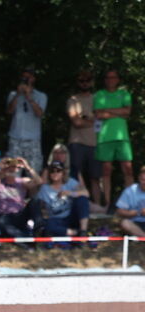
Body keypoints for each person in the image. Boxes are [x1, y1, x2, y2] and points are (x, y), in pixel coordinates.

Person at [94, 69, 133, 208]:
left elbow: (128, 111)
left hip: (122, 137)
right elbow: (99, 114)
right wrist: (119, 111)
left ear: (118, 79)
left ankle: (130, 202)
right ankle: (107, 203)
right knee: (106, 171)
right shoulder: (99, 94)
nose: (110, 80)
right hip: (105, 137)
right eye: (108, 77)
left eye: (113, 77)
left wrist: (108, 110)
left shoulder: (124, 94)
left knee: (128, 169)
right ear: (105, 80)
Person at [67, 69, 101, 203]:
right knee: (75, 177)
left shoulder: (98, 99)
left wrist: (85, 119)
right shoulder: (72, 100)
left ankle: (98, 206)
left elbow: (103, 118)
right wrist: (93, 120)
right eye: (82, 80)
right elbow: (76, 122)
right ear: (78, 82)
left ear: (92, 82)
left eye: (88, 80)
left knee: (96, 178)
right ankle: (75, 204)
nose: (85, 83)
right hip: (77, 143)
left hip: (95, 143)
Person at [0, 157, 41, 237]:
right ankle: (26, 239)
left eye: (14, 168)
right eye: (9, 168)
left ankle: (39, 229)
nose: (11, 170)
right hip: (4, 216)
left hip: (20, 215)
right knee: (1, 223)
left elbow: (39, 181)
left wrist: (28, 167)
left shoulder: (22, 181)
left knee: (35, 201)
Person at [5, 67, 47, 172]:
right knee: (13, 172)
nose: (26, 80)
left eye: (28, 77)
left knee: (33, 172)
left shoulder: (41, 96)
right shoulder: (13, 94)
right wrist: (18, 94)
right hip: (15, 139)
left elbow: (39, 113)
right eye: (24, 77)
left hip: (33, 140)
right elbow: (9, 111)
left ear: (33, 79)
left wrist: (29, 97)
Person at [35, 160, 90, 238]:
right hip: (55, 219)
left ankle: (83, 231)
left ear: (63, 172)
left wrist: (70, 193)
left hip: (71, 217)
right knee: (47, 227)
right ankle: (76, 233)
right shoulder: (44, 188)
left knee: (82, 199)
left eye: (58, 171)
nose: (55, 173)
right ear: (49, 173)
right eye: (52, 171)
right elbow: (41, 208)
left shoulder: (70, 182)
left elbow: (86, 193)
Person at [114, 164, 145, 237]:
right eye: (143, 180)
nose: (144, 183)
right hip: (135, 222)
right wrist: (137, 212)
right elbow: (119, 211)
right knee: (125, 223)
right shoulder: (130, 190)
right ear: (139, 178)